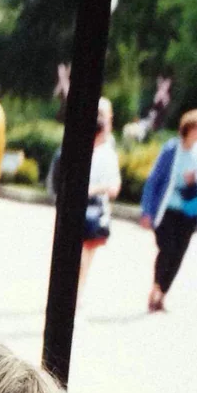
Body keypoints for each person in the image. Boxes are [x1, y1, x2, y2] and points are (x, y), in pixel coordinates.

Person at [140, 108, 197, 313]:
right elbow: (154, 180)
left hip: (189, 211)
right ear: (190, 128)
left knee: (178, 254)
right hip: (167, 210)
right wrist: (146, 211)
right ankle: (155, 287)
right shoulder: (171, 149)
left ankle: (162, 294)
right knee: (167, 249)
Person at [78, 115, 121, 303]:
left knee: (85, 258)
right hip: (75, 210)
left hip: (94, 211)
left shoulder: (108, 155)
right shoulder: (78, 150)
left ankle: (77, 294)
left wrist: (94, 189)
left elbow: (114, 188)